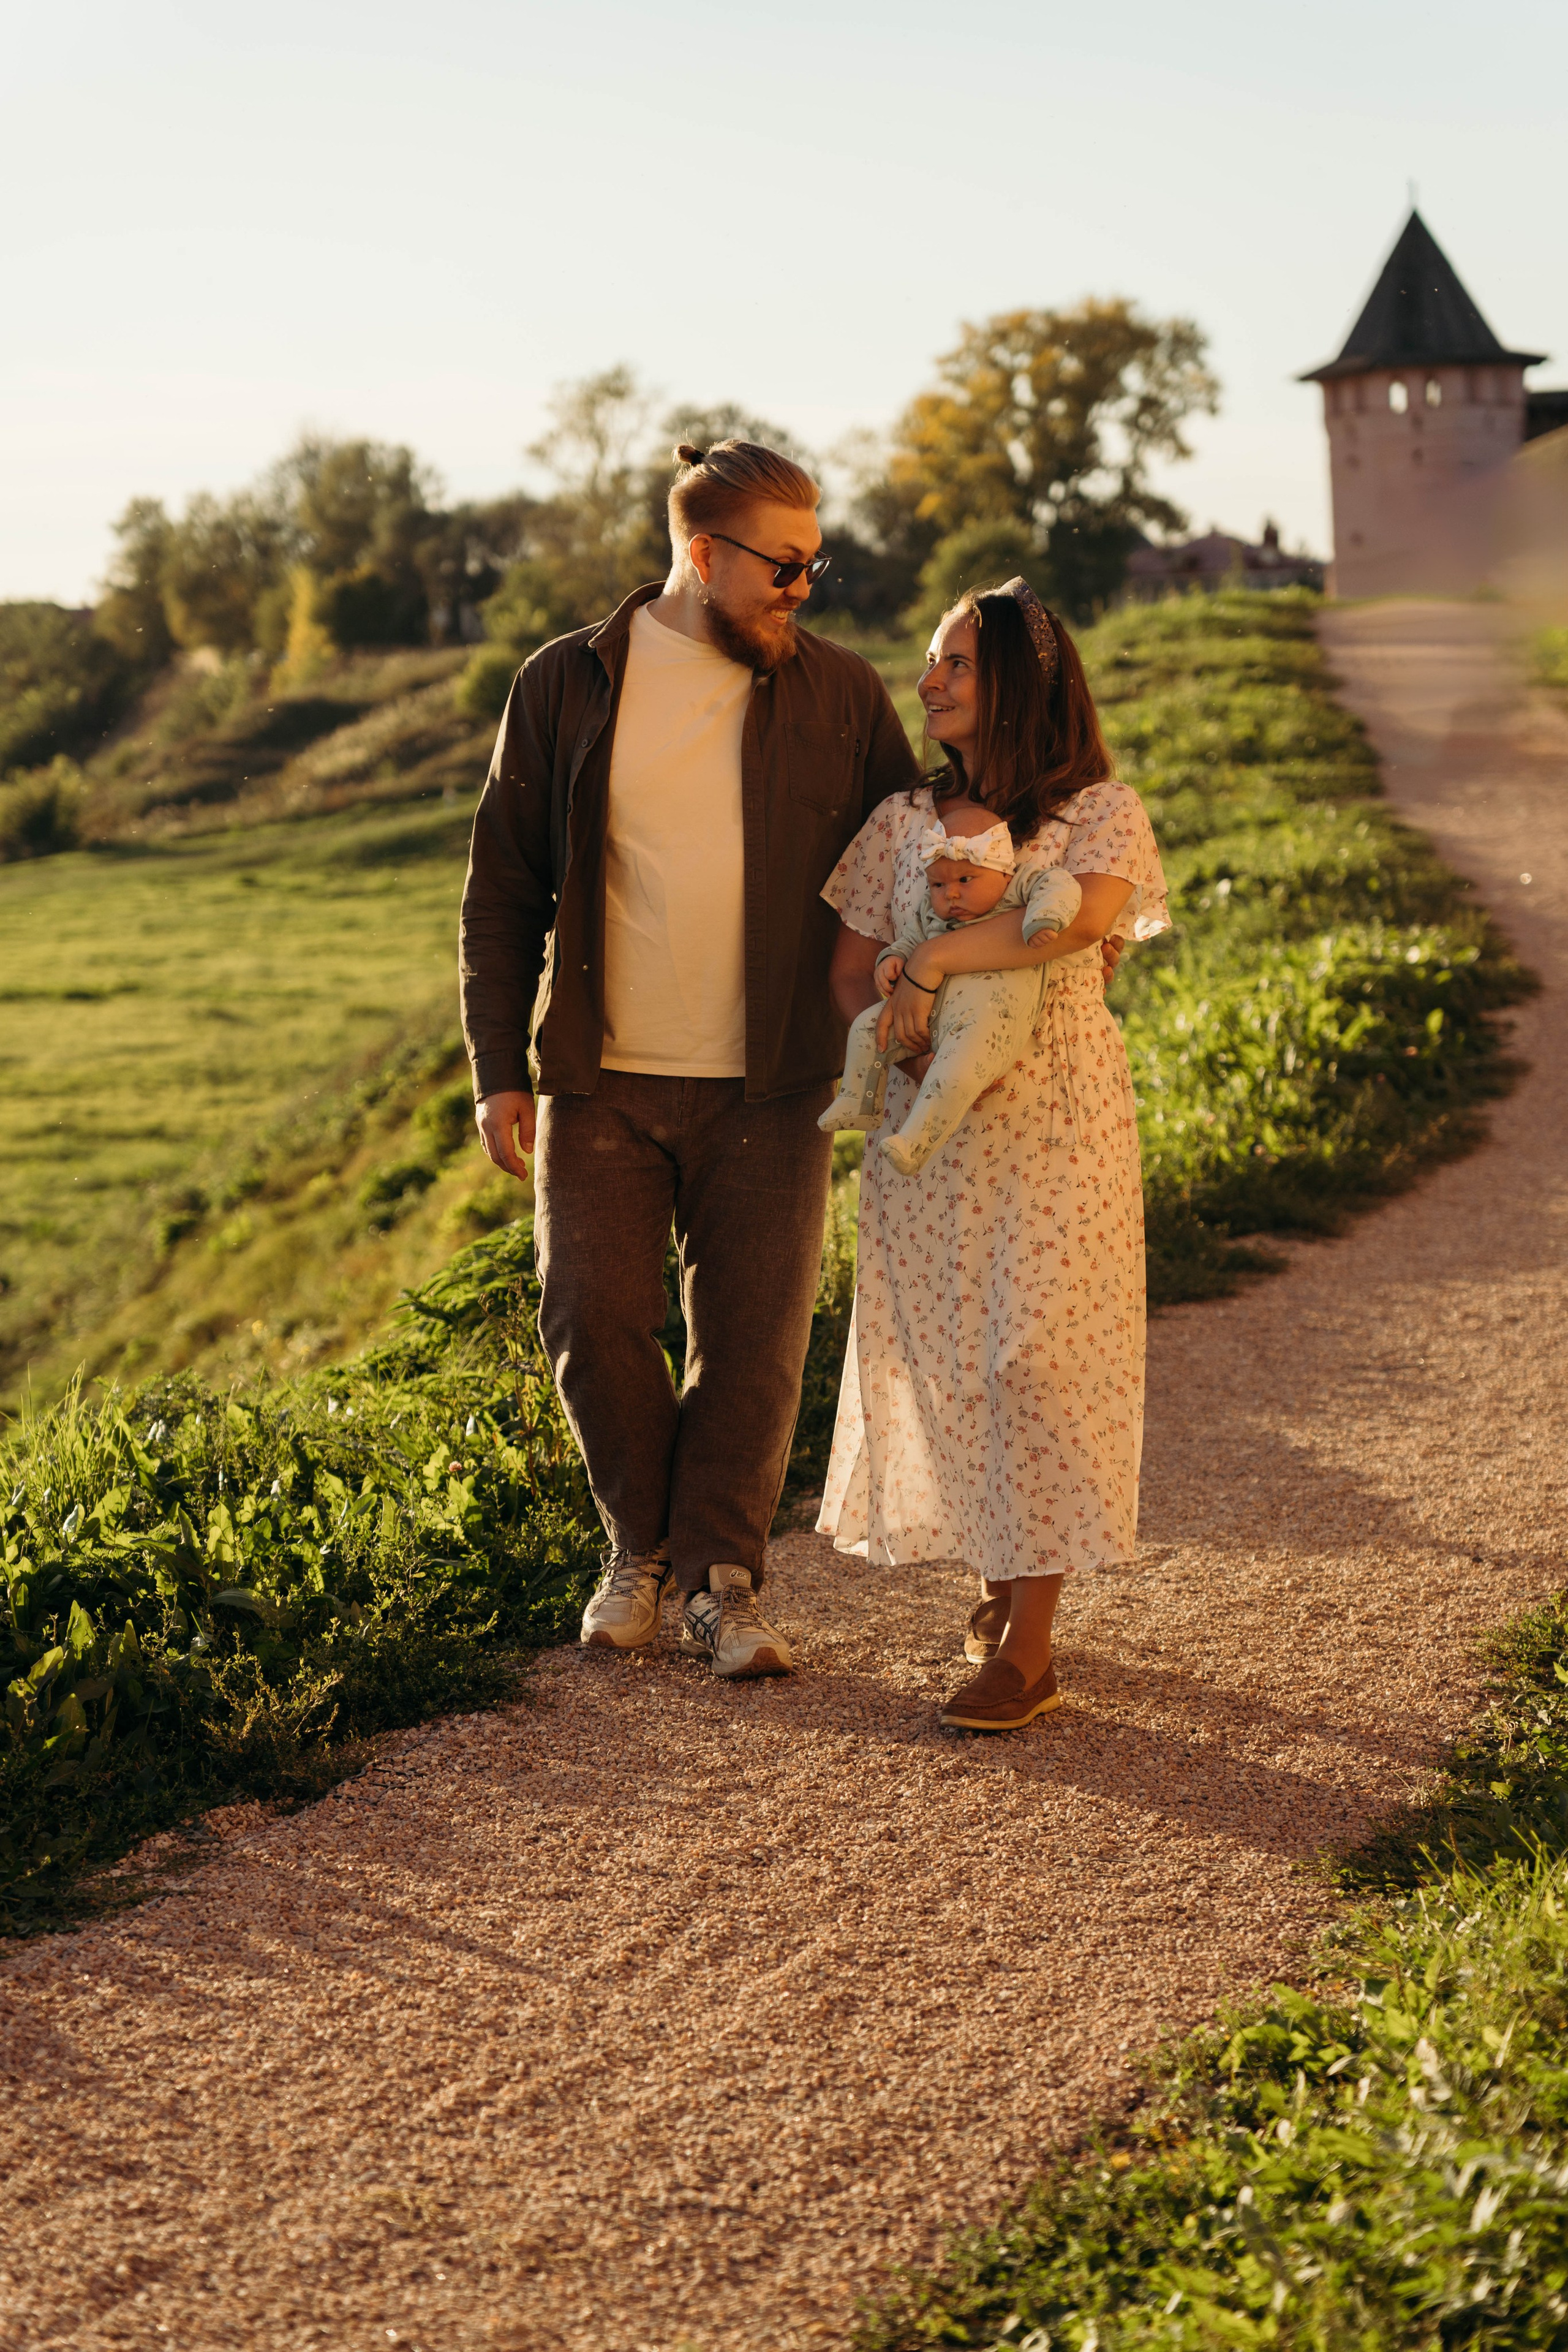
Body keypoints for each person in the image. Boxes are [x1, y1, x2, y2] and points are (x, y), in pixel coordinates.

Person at [458, 440, 921, 1678]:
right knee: (590, 1316)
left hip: (776, 1076)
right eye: (782, 565)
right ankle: (635, 1551)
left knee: (756, 1341)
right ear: (702, 554)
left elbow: (916, 854)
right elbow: (503, 884)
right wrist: (496, 1061)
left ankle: (720, 1580)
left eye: (815, 565)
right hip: (599, 1073)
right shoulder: (565, 683)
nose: (801, 589)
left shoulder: (839, 692)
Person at [817, 577, 1170, 1731]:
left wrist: (930, 965)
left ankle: (1030, 1646)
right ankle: (999, 1578)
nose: (929, 683)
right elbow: (843, 970)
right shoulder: (899, 825)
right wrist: (903, 1011)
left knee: (1038, 1356)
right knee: (959, 1362)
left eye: (956, 664)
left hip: (1060, 1111)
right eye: (931, 663)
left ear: (1021, 679)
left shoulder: (1101, 813)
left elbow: (1065, 923)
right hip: (934, 1122)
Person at [818, 808, 1081, 1174]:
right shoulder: (933, 912)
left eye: (965, 879)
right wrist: (892, 960)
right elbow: (911, 938)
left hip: (987, 1020)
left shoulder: (1020, 885)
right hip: (927, 1012)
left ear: (1003, 871)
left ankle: (916, 1141)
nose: (951, 894)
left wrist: (1045, 916)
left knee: (956, 1071)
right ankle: (857, 1099)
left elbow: (1060, 885)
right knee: (867, 1027)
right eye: (938, 885)